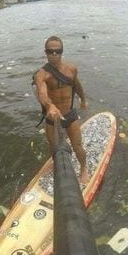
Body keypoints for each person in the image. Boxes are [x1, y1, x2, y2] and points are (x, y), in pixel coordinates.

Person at [34, 36, 90, 184]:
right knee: (53, 146)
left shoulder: (71, 69)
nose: (54, 54)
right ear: (45, 52)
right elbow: (42, 93)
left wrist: (83, 100)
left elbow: (77, 85)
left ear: (62, 51)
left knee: (77, 146)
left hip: (70, 115)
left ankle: (83, 168)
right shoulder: (42, 74)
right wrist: (50, 106)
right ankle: (55, 163)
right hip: (52, 118)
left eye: (57, 51)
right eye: (50, 51)